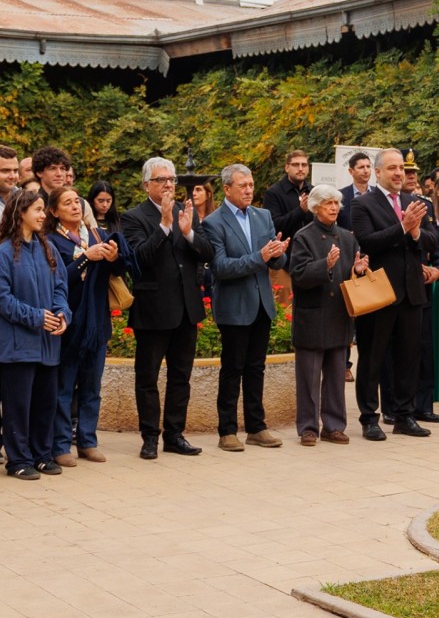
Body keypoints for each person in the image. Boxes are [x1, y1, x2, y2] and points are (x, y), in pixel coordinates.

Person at [123, 156, 214, 460]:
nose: (168, 185)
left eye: (172, 180)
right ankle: (150, 436)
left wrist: (187, 232)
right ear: (147, 184)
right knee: (147, 377)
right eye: (161, 180)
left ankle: (175, 435)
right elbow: (139, 259)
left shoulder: (185, 212)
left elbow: (207, 252)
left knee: (180, 376)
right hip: (153, 309)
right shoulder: (133, 217)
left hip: (186, 308)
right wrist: (163, 225)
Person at [349, 148, 437, 440]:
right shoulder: (363, 204)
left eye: (402, 168)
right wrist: (403, 226)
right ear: (378, 173)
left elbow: (431, 240)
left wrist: (415, 234)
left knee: (409, 357)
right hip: (379, 292)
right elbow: (368, 242)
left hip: (412, 292)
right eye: (392, 168)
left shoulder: (415, 202)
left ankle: (404, 415)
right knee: (373, 358)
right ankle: (369, 418)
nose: (399, 173)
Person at [200, 164, 287, 452]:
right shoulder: (214, 222)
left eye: (251, 185)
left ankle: (256, 427)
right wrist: (261, 256)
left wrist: (277, 255)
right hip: (235, 306)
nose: (249, 190)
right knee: (232, 369)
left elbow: (273, 263)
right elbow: (222, 267)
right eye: (243, 186)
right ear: (227, 189)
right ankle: (226, 431)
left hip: (262, 303)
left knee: (256, 368)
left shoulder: (263, 216)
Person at [0, 190, 70, 480]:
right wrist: (36, 317)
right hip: (17, 345)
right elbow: (2, 299)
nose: (42, 215)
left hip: (48, 344)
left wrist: (62, 315)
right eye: (37, 209)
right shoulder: (2, 255)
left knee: (46, 403)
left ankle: (42, 455)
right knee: (18, 406)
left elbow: (61, 287)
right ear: (20, 212)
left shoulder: (48, 249)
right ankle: (18, 460)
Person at [45, 186, 127, 466]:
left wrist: (115, 256)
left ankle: (88, 441)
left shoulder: (97, 234)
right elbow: (55, 280)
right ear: (54, 211)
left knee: (92, 386)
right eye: (67, 203)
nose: (75, 207)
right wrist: (84, 258)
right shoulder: (50, 240)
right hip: (69, 323)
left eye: (77, 202)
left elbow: (121, 270)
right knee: (64, 387)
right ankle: (60, 445)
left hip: (97, 322)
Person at [288, 186, 368, 445]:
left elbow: (351, 279)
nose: (333, 207)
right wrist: (325, 265)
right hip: (312, 317)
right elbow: (298, 275)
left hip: (338, 316)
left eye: (336, 203)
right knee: (309, 379)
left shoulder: (347, 237)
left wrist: (357, 270)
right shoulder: (303, 237)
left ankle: (333, 426)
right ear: (314, 207)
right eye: (327, 203)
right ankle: (308, 428)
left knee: (335, 376)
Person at [263, 150, 313, 239]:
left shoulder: (313, 191)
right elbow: (273, 226)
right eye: (296, 165)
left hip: (310, 249)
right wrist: (300, 211)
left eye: (304, 165)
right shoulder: (273, 193)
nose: (300, 168)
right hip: (286, 249)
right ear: (287, 168)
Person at [337, 151, 373, 231]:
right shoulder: (340, 196)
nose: (366, 170)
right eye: (361, 167)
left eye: (368, 166)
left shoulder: (379, 194)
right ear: (351, 171)